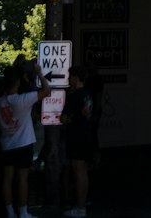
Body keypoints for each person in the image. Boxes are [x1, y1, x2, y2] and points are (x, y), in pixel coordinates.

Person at [0, 59, 50, 218]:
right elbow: (47, 91)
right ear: (17, 82)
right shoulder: (23, 100)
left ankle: (10, 212)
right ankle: (23, 212)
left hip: (6, 145)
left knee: (7, 179)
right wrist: (39, 73)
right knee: (22, 178)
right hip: (24, 143)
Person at [61, 64, 96, 218]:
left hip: (76, 136)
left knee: (78, 170)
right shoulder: (87, 94)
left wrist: (69, 118)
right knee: (83, 170)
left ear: (76, 78)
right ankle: (82, 203)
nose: (69, 79)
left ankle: (80, 207)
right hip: (86, 135)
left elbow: (64, 118)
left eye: (70, 77)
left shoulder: (73, 96)